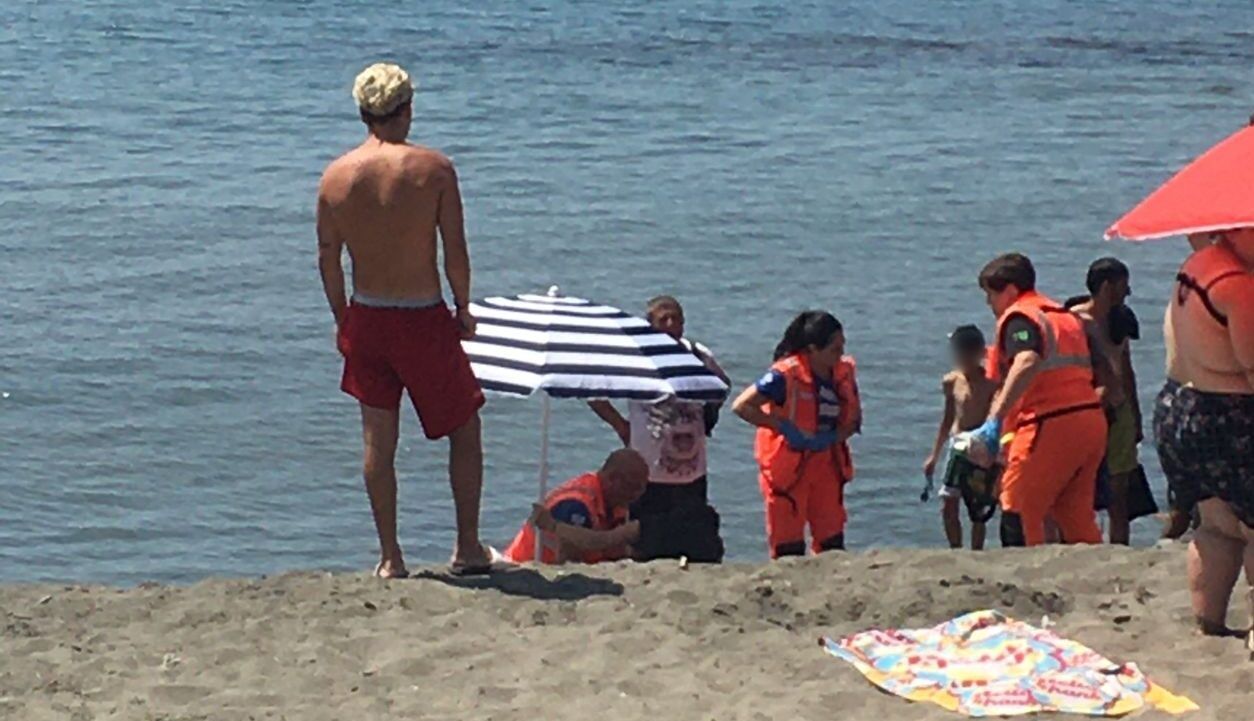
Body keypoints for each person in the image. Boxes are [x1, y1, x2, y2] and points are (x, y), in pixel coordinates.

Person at [316, 63, 490, 578]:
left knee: (378, 439)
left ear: (362, 112)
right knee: (464, 429)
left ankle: (391, 556)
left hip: (367, 314)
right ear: (407, 110)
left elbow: (328, 257)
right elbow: (453, 249)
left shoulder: (336, 176)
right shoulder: (433, 169)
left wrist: (342, 317)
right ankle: (467, 546)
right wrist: (463, 306)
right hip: (420, 316)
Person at [970, 253, 1112, 548]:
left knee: (1017, 507)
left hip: (1049, 424)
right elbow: (1107, 376)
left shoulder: (1021, 317)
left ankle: (1024, 582)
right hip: (1089, 423)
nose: (989, 304)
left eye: (991, 295)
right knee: (1074, 513)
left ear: (1009, 291)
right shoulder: (1066, 317)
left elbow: (1027, 359)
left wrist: (994, 419)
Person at [1153, 228, 1254, 639]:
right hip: (1227, 418)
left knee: (1216, 525)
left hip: (1177, 408)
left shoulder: (1196, 266)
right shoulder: (1239, 288)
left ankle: (1209, 624)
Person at [732, 311, 862, 558]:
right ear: (813, 349)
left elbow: (852, 421)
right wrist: (783, 428)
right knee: (788, 549)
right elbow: (741, 406)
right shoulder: (784, 375)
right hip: (789, 468)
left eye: (842, 347)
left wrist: (832, 438)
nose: (840, 354)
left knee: (832, 544)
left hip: (827, 464)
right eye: (835, 349)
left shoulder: (842, 373)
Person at [588, 296, 730, 515]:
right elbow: (591, 389)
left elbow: (722, 386)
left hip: (692, 474)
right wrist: (620, 426)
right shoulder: (634, 359)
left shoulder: (697, 355)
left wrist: (709, 415)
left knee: (692, 541)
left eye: (677, 319)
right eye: (664, 320)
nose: (671, 325)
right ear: (650, 325)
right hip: (647, 476)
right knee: (646, 544)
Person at [1066, 258, 1143, 545]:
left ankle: (1120, 546)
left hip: (1119, 409)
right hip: (1087, 410)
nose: (1128, 292)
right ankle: (1079, 542)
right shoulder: (1074, 321)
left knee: (1120, 490)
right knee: (1080, 484)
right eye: (1123, 285)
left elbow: (1126, 367)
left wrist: (1135, 415)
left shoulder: (1120, 319)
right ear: (1107, 286)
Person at [923, 325, 999, 550]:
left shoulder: (991, 382)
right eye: (958, 351)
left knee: (978, 508)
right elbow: (947, 419)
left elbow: (998, 418)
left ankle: (977, 551)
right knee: (948, 502)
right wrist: (934, 456)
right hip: (957, 446)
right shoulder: (951, 381)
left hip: (982, 447)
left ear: (979, 353)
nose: (961, 357)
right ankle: (955, 548)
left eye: (966, 352)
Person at [502, 449, 650, 564]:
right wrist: (622, 535)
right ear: (612, 479)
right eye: (633, 487)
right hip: (528, 564)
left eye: (642, 488)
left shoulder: (615, 501)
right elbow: (573, 549)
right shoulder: (576, 503)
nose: (637, 494)